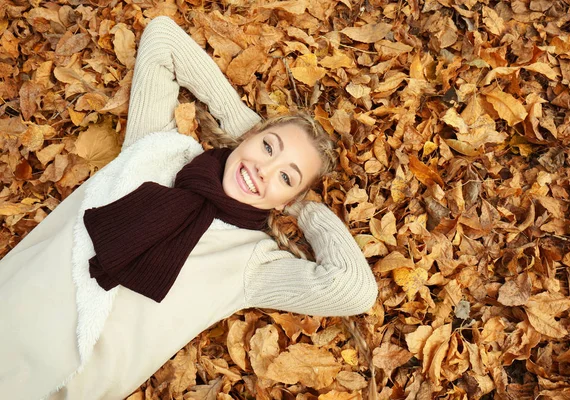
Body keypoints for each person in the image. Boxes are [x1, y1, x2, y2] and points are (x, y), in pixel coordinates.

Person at [0, 16, 377, 399]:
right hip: (10, 309)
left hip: (52, 388)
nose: (264, 170)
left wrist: (305, 208)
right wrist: (242, 122)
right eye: (267, 147)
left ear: (287, 200)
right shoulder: (160, 151)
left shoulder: (251, 262)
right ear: (249, 137)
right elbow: (162, 38)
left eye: (286, 177)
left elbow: (354, 290)